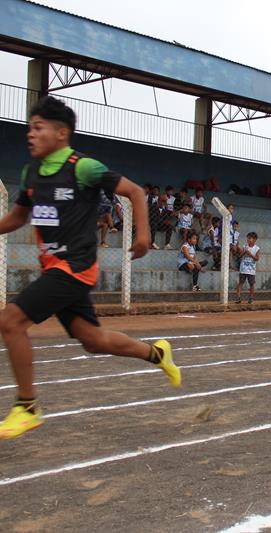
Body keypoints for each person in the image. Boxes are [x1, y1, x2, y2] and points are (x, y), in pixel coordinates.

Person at [0, 96, 180, 439]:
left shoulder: (82, 167)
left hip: (75, 267)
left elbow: (135, 192)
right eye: (29, 128)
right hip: (54, 267)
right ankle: (157, 353)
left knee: (10, 320)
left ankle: (26, 407)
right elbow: (18, 217)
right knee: (93, 340)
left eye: (38, 128)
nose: (30, 134)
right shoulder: (31, 173)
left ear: (61, 133)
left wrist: (143, 236)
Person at [235, 232, 260, 304]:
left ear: (254, 240)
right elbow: (239, 256)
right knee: (240, 283)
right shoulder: (245, 246)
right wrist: (243, 253)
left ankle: (251, 298)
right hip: (243, 268)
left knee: (251, 284)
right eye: (247, 238)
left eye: (250, 238)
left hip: (251, 270)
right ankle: (238, 297)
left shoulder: (257, 248)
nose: (248, 240)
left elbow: (257, 258)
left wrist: (250, 254)